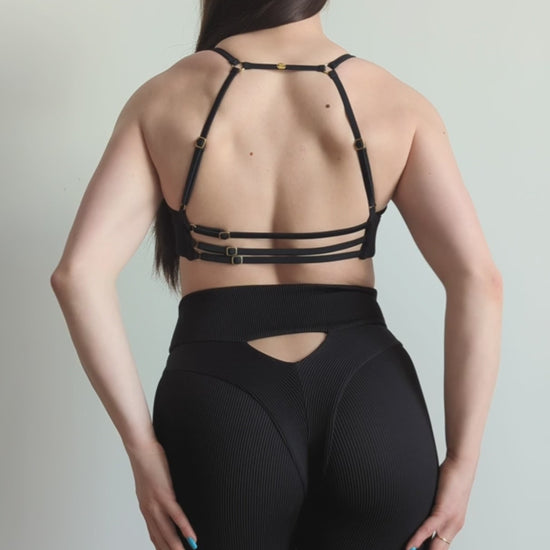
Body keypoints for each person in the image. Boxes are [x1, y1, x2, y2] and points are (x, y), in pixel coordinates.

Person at [50, 1, 503, 549]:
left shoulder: (165, 97)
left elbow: (78, 275)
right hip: (371, 401)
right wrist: (463, 462)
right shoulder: (396, 101)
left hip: (220, 405)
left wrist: (142, 450)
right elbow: (479, 280)